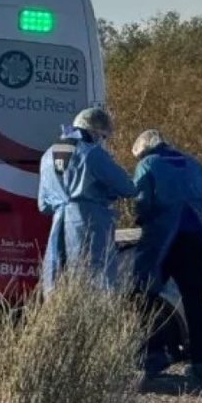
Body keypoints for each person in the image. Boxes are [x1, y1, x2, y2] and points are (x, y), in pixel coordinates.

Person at [130, 129, 202, 383]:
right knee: (195, 301)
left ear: (143, 150)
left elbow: (142, 201)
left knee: (145, 294)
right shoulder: (192, 163)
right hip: (195, 238)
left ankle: (154, 354)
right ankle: (201, 362)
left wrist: (142, 219)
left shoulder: (148, 164)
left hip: (163, 238)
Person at [38, 108, 136, 295]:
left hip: (58, 226)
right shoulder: (92, 154)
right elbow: (127, 187)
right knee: (95, 282)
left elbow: (43, 205)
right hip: (89, 223)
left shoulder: (47, 157)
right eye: (103, 137)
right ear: (95, 132)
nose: (101, 141)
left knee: (57, 282)